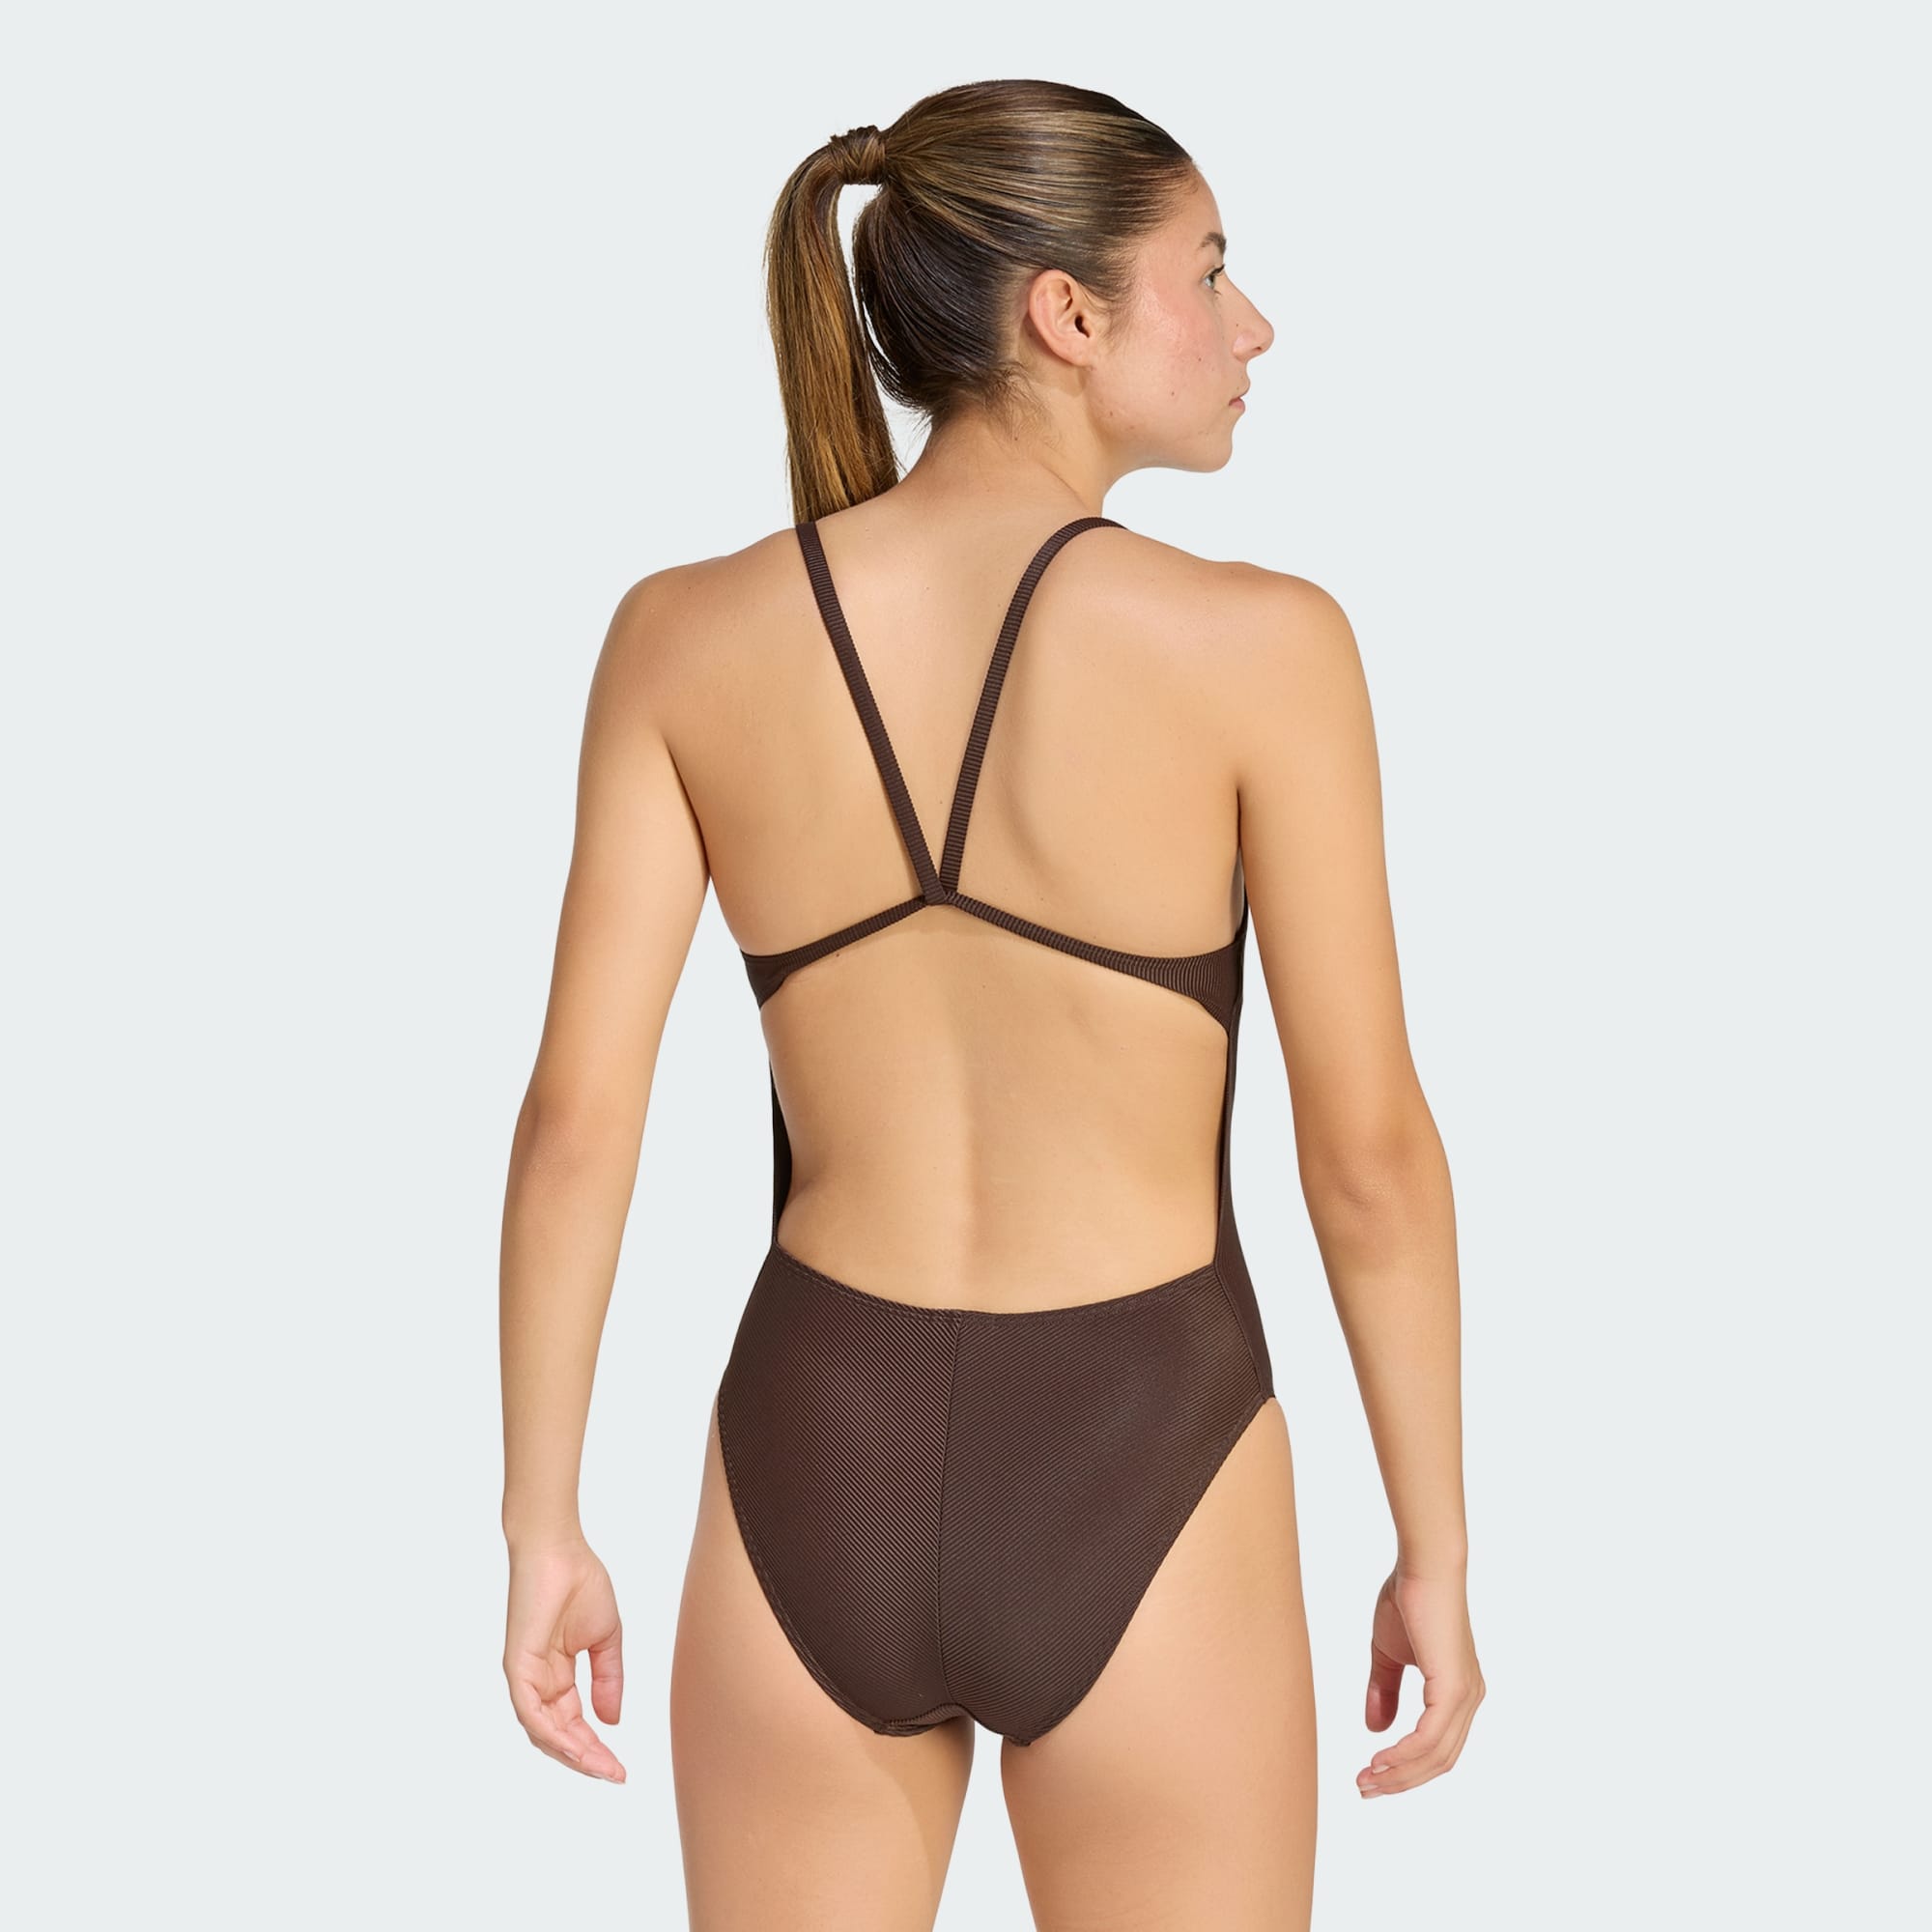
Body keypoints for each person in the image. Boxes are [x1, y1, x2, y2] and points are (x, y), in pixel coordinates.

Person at [498, 76, 1481, 1929]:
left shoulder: (680, 638)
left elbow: (573, 1127)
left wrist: (540, 1524)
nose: (1254, 325)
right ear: (1067, 314)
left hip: (812, 1448)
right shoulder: (1264, 649)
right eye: (1211, 271)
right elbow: (1369, 1159)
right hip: (1149, 1446)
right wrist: (1434, 1546)